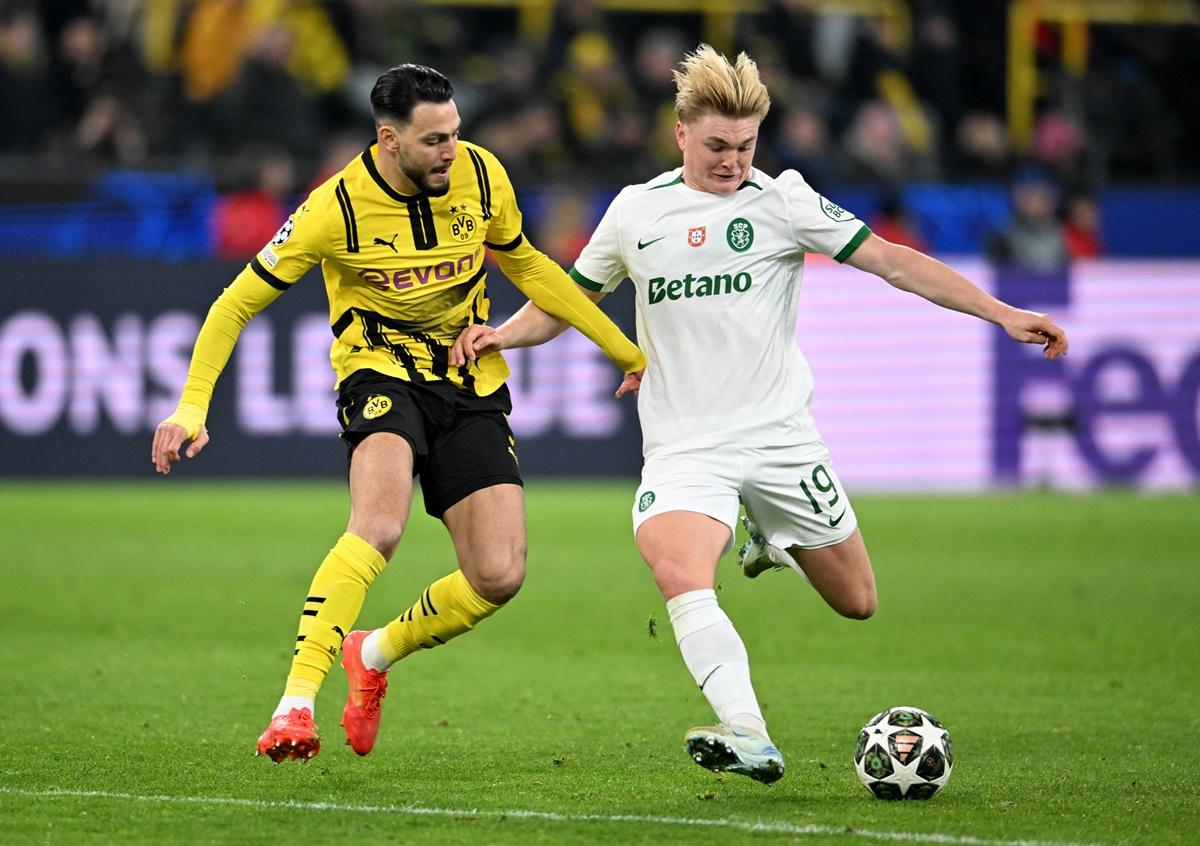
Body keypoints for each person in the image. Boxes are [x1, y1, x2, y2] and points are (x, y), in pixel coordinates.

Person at [450, 44, 1067, 784]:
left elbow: (897, 263)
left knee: (857, 601)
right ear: (680, 133)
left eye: (744, 147)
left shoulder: (783, 201)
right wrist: (502, 333)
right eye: (716, 146)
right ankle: (747, 731)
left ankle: (769, 536)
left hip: (780, 439)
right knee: (678, 570)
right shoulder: (636, 212)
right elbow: (569, 304)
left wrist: (1000, 313)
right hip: (686, 447)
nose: (732, 161)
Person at [150, 63, 646, 763]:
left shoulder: (481, 175)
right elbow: (235, 303)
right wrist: (192, 404)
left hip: (467, 378)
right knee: (379, 526)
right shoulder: (335, 209)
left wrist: (623, 349)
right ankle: (294, 705)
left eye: (456, 134)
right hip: (378, 372)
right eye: (435, 139)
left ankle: (374, 653)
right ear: (389, 139)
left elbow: (529, 265)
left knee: (499, 574)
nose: (452, 150)